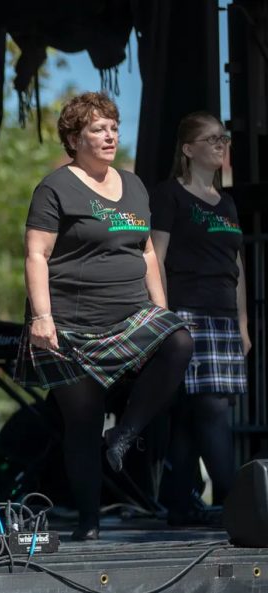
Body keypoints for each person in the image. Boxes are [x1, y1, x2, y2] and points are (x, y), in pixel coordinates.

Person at [14, 91, 193, 541]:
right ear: (75, 139)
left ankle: (125, 435)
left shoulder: (133, 186)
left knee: (178, 340)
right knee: (82, 420)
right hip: (73, 322)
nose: (110, 134)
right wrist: (41, 317)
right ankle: (89, 524)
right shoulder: (55, 187)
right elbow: (36, 253)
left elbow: (148, 251)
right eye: (98, 128)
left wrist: (161, 310)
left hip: (130, 313)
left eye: (113, 126)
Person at [151, 112, 248, 525]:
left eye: (223, 138)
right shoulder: (170, 195)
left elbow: (237, 266)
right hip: (187, 314)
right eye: (211, 139)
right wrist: (163, 318)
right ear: (189, 149)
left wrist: (243, 325)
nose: (221, 144)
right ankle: (239, 503)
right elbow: (155, 258)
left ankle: (178, 504)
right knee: (211, 409)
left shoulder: (227, 203)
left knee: (196, 414)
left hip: (224, 317)